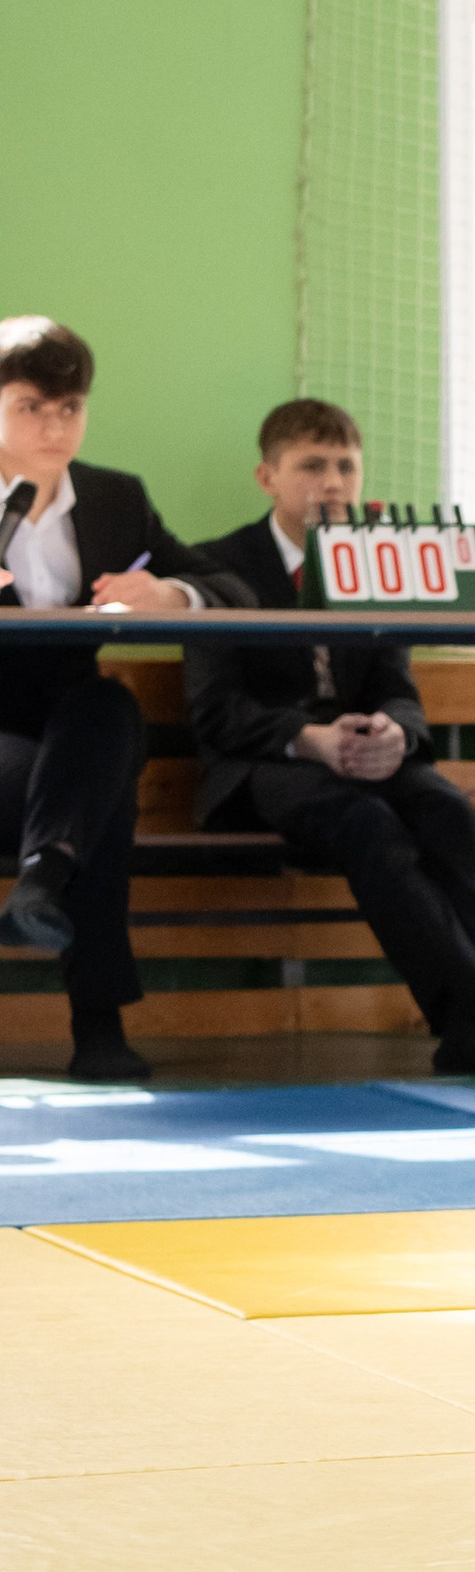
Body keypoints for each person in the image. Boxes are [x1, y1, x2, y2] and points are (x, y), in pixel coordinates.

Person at [183, 398, 475, 1075]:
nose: (333, 483)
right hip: (266, 766)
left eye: (346, 465)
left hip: (364, 754)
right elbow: (216, 713)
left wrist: (395, 735)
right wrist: (311, 737)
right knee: (365, 820)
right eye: (312, 465)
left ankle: (472, 1029)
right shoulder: (216, 567)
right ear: (268, 477)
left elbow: (397, 688)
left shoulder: (373, 565)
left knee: (445, 809)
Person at [0, 314, 251, 1082]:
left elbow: (231, 589)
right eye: (30, 407)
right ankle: (97, 1025)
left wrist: (170, 594)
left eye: (69, 408)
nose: (53, 426)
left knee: (109, 714)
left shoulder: (114, 500)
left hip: (74, 727)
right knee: (99, 799)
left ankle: (45, 873)